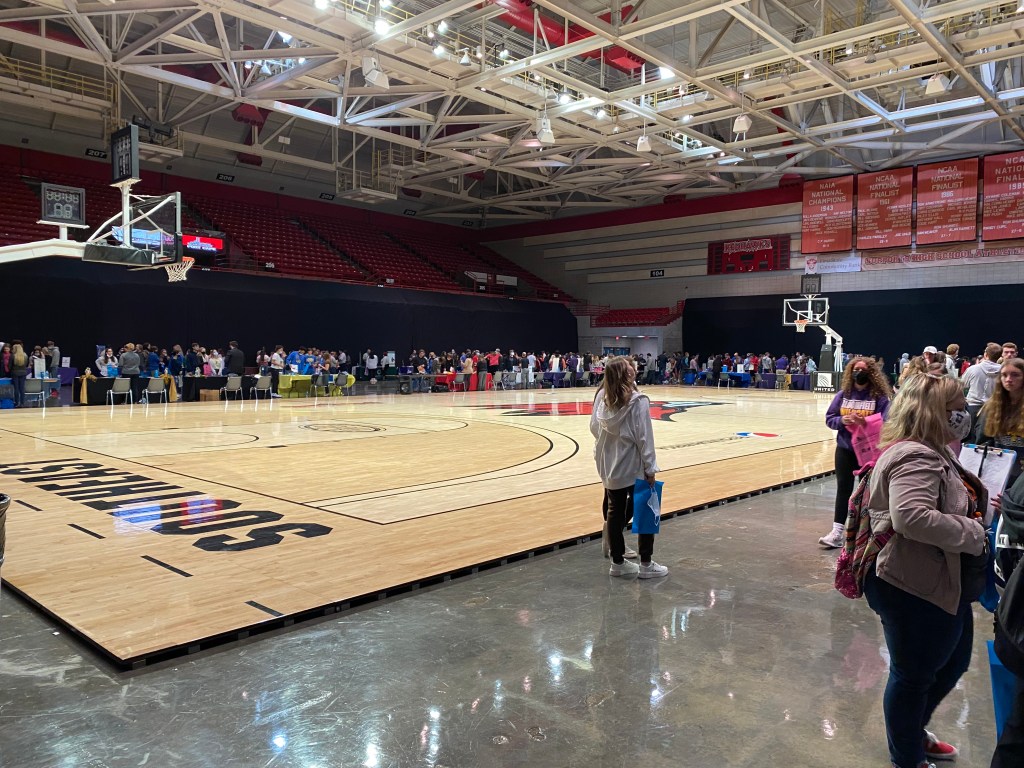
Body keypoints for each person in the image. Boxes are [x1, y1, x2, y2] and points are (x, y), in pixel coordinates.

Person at [863, 372, 987, 768]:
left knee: (952, 663)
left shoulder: (935, 449)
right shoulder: (915, 456)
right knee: (913, 676)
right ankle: (908, 756)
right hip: (911, 584)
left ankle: (912, 731)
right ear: (936, 412)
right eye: (958, 407)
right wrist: (974, 532)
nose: (965, 414)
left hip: (939, 579)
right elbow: (911, 517)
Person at [589, 356, 667, 579]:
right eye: (629, 367)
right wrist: (650, 468)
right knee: (645, 509)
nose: (633, 368)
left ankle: (617, 563)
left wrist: (611, 445)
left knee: (614, 511)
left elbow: (594, 427)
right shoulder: (638, 400)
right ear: (627, 373)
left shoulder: (602, 397)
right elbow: (644, 438)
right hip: (632, 463)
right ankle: (646, 564)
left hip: (608, 463)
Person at [820, 356, 892, 548]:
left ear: (871, 373)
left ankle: (863, 532)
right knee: (843, 489)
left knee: (867, 493)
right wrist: (842, 421)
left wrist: (865, 422)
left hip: (868, 452)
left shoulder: (879, 398)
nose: (858, 373)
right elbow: (829, 418)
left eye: (862, 370)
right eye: (855, 370)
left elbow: (887, 423)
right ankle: (837, 532)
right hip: (845, 449)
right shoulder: (843, 395)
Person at [976, 358, 1024, 484]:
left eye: (1015, 375)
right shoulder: (992, 406)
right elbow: (983, 440)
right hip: (998, 469)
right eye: (1004, 375)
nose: (1008, 379)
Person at [962, 343, 1002, 436]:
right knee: (986, 437)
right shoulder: (1003, 371)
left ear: (985, 354)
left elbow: (963, 385)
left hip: (972, 406)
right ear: (999, 356)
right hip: (992, 408)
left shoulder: (973, 369)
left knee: (969, 436)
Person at [9, 341, 28, 407]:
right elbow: (26, 364)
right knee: (22, 388)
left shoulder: (12, 356)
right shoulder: (25, 355)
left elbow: (10, 366)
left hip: (15, 373)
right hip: (23, 373)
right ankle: (22, 403)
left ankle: (17, 402)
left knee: (16, 388)